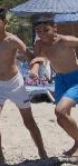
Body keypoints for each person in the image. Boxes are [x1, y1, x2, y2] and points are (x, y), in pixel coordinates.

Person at [0, 8, 47, 166]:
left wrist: (34, 69)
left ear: (5, 22)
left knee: (29, 122)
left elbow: (32, 57)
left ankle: (42, 152)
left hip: (15, 84)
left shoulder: (13, 40)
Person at [30, 14, 78, 157]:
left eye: (46, 30)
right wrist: (34, 70)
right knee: (61, 120)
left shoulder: (65, 41)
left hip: (76, 78)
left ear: (55, 28)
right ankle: (77, 143)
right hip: (60, 80)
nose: (42, 34)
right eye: (38, 31)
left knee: (60, 111)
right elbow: (37, 60)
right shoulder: (39, 45)